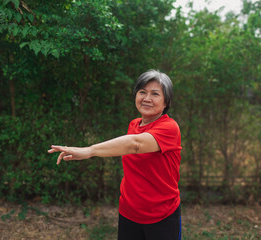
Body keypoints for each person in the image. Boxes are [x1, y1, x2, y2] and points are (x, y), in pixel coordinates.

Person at [48, 70, 182, 240]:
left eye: (155, 94)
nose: (147, 98)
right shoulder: (134, 124)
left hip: (162, 216)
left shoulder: (170, 128)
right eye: (142, 92)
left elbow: (135, 145)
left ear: (166, 102)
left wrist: (90, 150)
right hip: (129, 213)